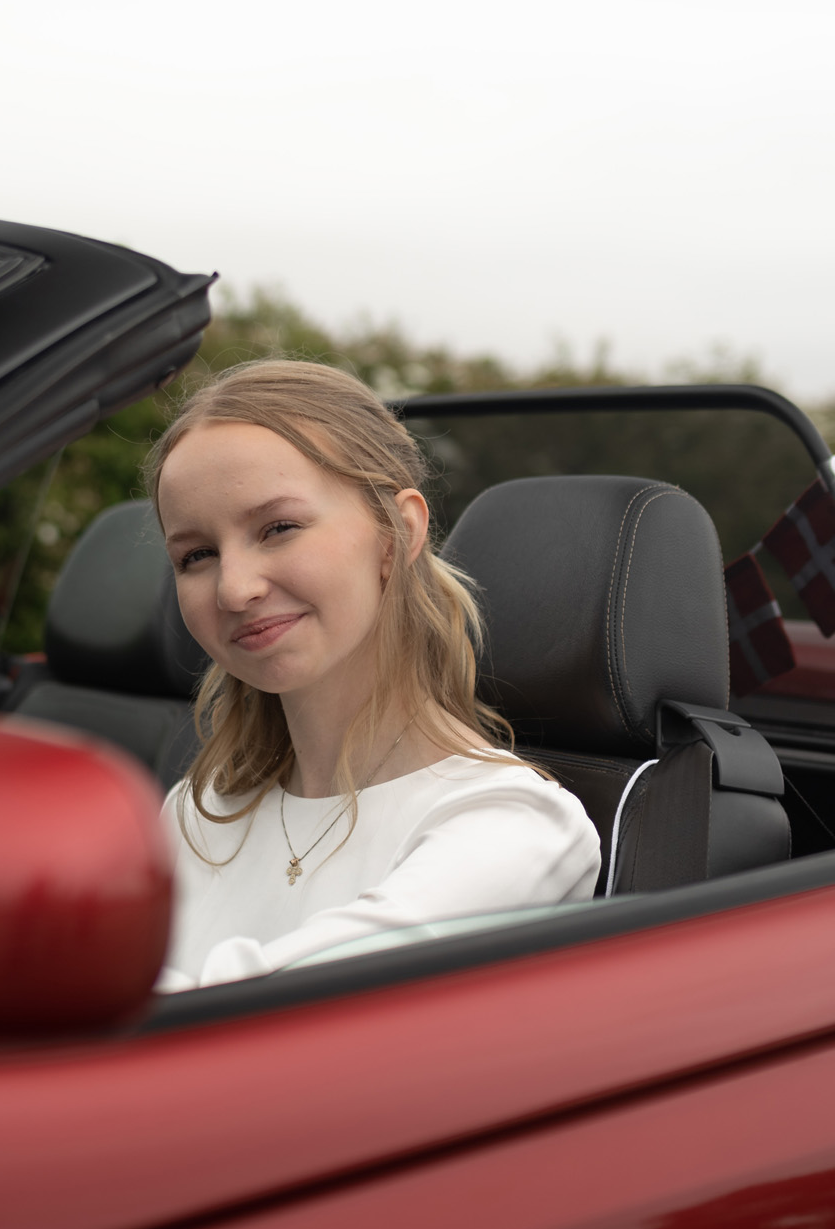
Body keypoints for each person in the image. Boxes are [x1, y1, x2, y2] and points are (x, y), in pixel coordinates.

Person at [149, 360, 600, 990]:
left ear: (398, 532)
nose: (234, 588)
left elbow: (255, 1020)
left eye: (278, 528)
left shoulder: (511, 830)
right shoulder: (198, 814)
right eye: (196, 555)